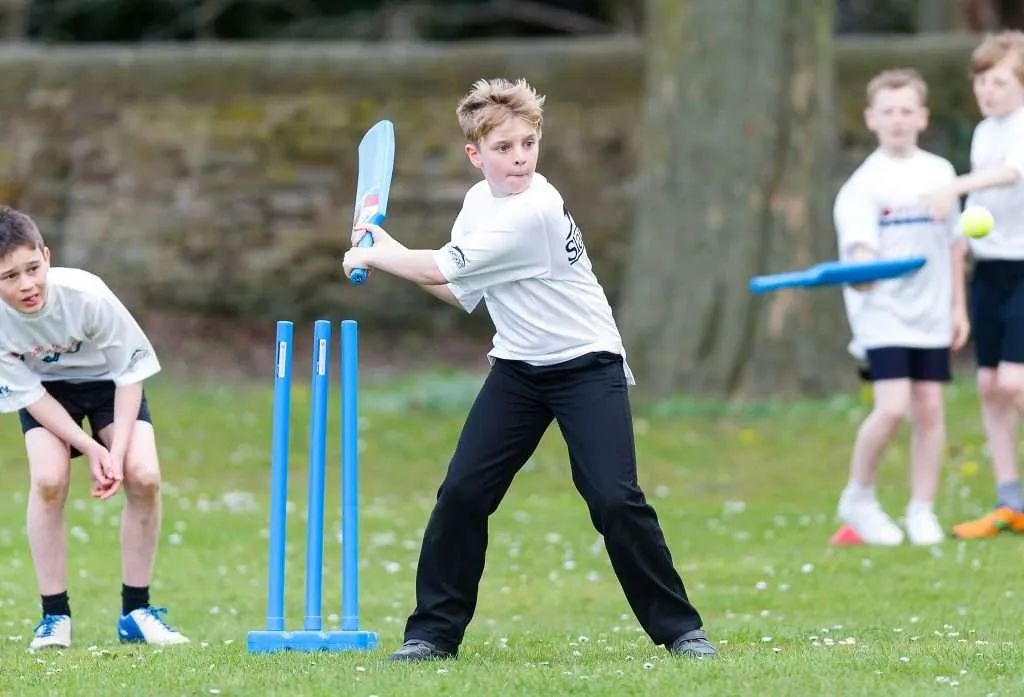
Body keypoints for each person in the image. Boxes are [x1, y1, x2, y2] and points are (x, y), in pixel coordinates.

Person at [342, 78, 715, 662]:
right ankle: (431, 636)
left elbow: (441, 265)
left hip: (586, 364)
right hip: (518, 368)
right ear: (476, 154)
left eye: (528, 144)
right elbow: (457, 289)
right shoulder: (477, 206)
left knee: (613, 499)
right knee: (462, 494)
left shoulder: (536, 208)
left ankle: (682, 631)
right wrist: (388, 252)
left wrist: (374, 252)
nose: (519, 158)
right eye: (503, 148)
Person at [0, 206, 189, 649]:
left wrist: (116, 453)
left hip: (109, 385)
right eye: (9, 277)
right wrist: (89, 447)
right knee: (48, 480)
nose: (27, 285)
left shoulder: (87, 294)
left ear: (47, 255)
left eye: (33, 268)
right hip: (48, 394)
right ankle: (54, 617)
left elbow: (130, 372)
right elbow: (33, 398)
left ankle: (136, 612)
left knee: (144, 476)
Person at [833, 69, 969, 546]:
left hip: (932, 311)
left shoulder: (941, 174)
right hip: (882, 314)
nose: (897, 120)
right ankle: (859, 496)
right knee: (892, 409)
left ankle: (921, 509)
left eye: (906, 110)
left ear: (923, 117)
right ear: (871, 118)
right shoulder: (862, 186)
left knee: (931, 409)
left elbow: (955, 244)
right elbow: (860, 257)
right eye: (888, 111)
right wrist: (866, 271)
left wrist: (959, 308)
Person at [924, 31, 1024, 539]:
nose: (987, 90)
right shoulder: (985, 130)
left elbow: (1010, 175)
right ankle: (1011, 502)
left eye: (999, 80)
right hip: (990, 269)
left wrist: (954, 186)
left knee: (1015, 382)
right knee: (988, 386)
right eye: (981, 80)